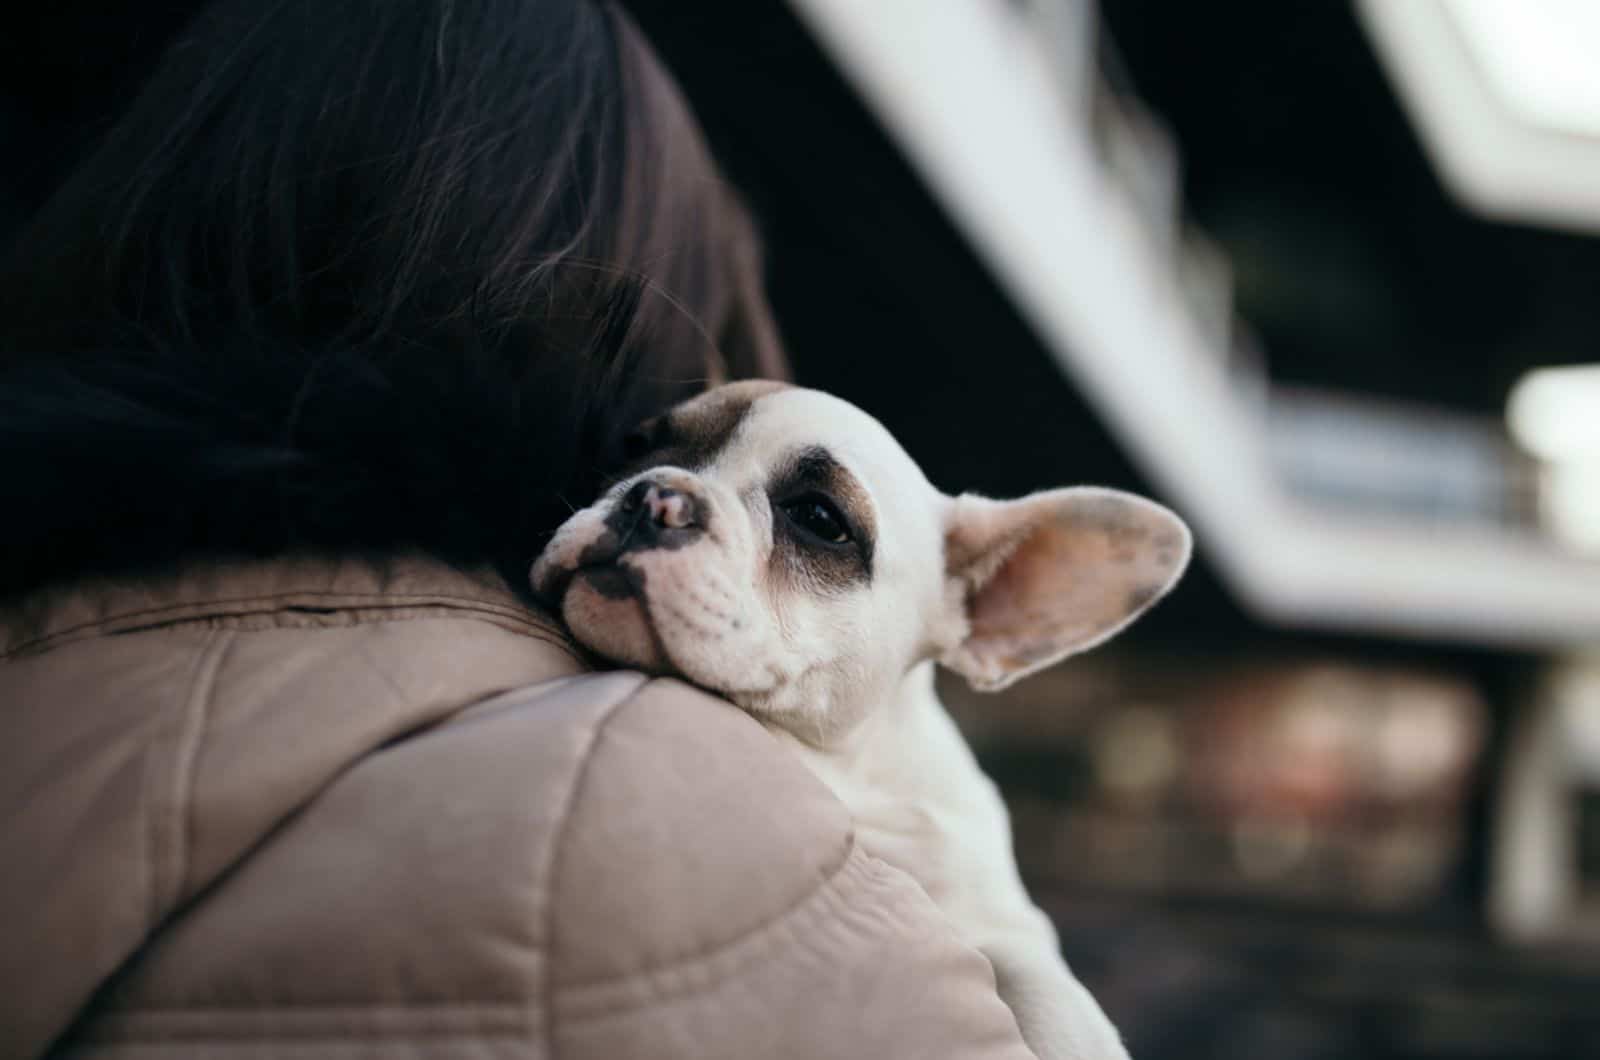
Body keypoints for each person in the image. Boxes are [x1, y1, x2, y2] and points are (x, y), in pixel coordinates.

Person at [0, 2, 1041, 1057]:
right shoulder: (686, 823)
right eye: (652, 442)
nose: (674, 498)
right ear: (622, 334)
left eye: (814, 524)